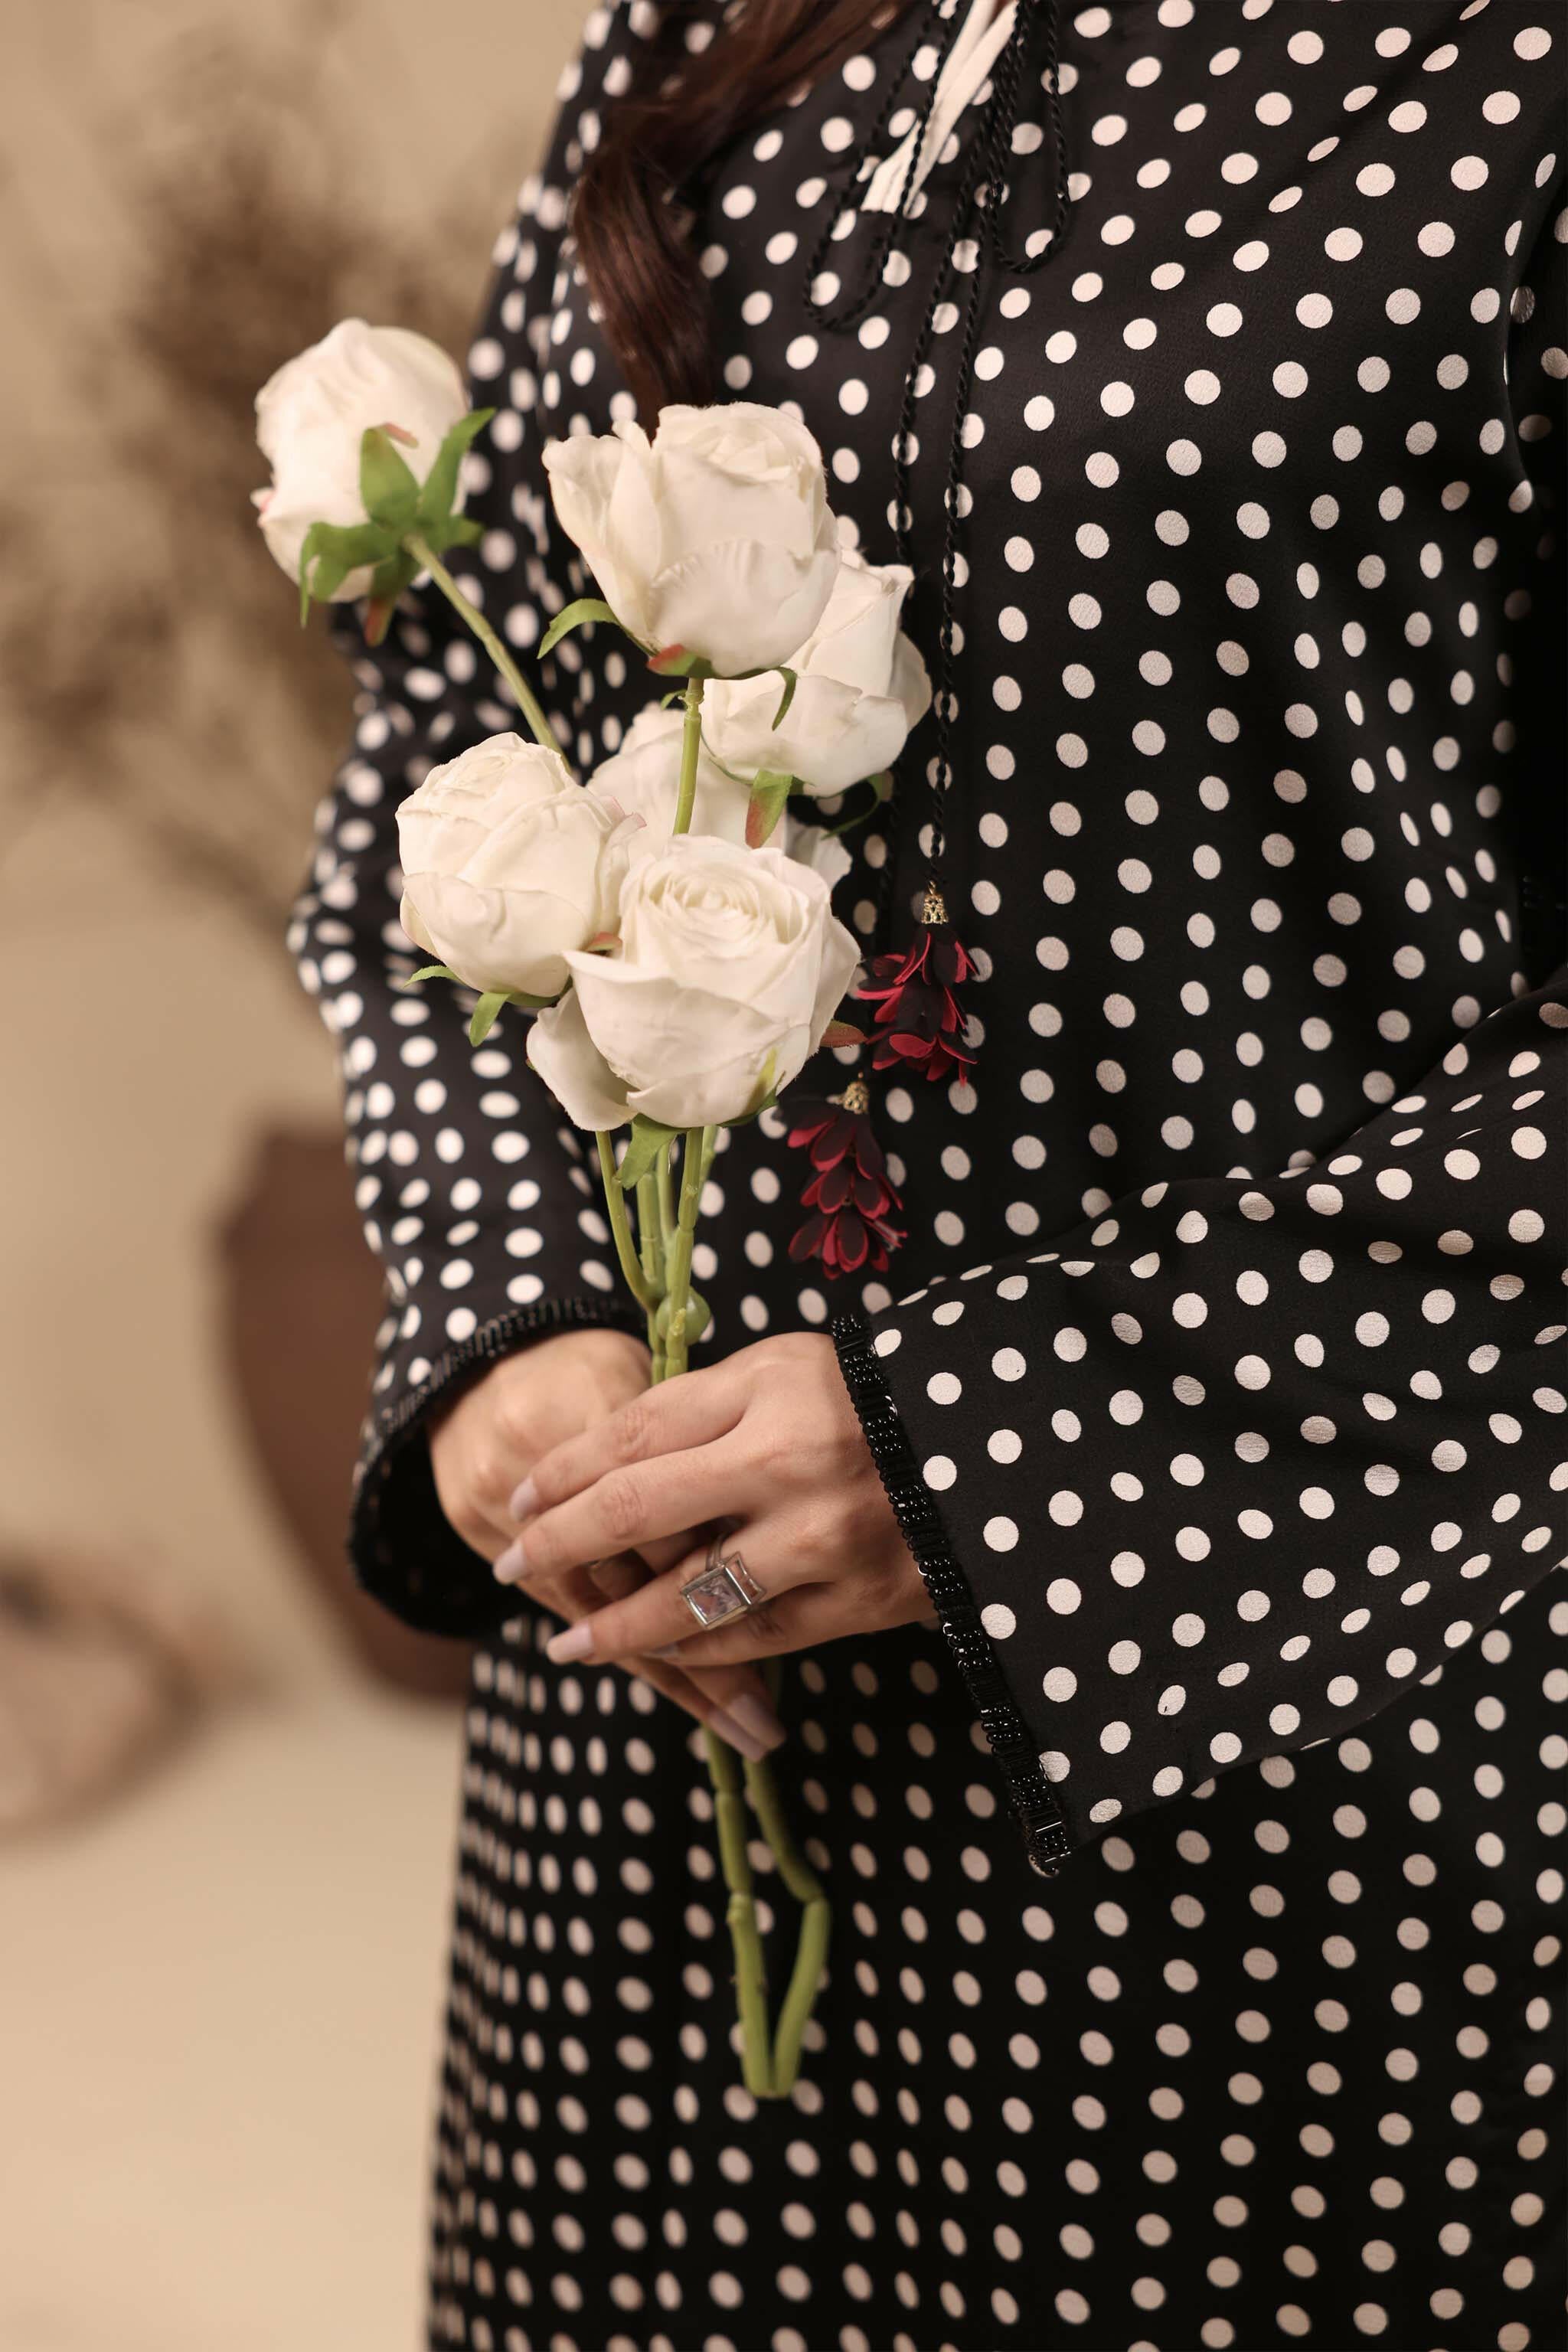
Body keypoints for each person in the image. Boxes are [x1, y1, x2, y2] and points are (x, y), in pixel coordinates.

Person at [288, 1, 1566, 2344]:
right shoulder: (700, 30)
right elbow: (441, 742)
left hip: (1301, 1721)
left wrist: (1021, 1445)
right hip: (666, 1773)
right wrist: (513, 1318)